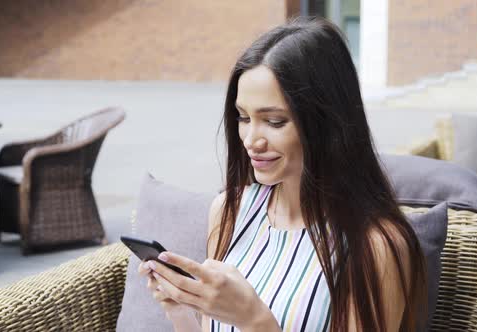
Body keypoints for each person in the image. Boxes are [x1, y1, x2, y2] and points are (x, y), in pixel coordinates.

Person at [138, 16, 427, 332]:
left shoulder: (375, 246)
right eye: (243, 117)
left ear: (328, 124)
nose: (250, 141)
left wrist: (254, 320)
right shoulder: (230, 211)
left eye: (274, 122)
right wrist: (181, 311)